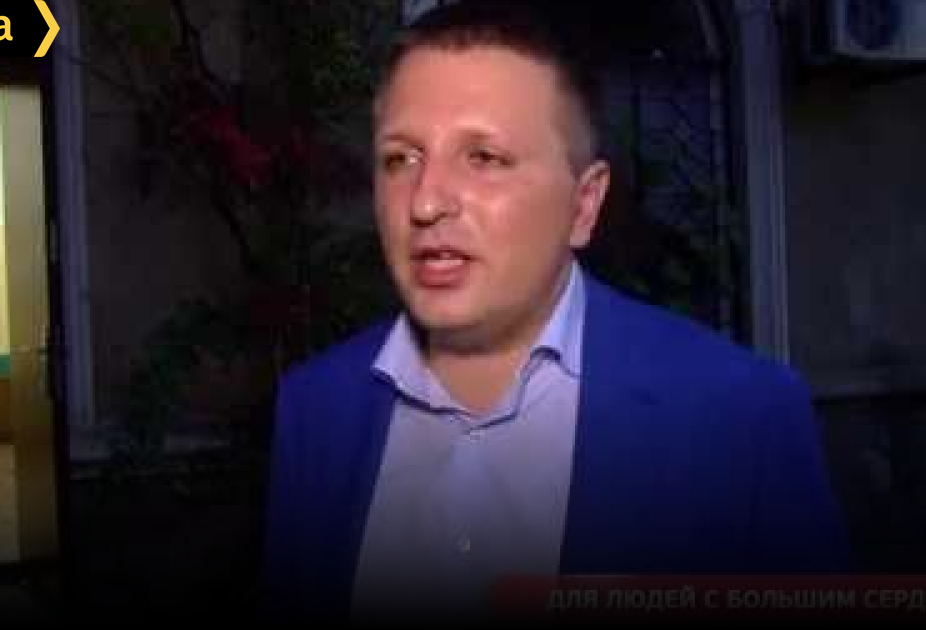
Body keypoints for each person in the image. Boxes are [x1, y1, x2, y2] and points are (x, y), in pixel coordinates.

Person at [260, 0, 850, 622]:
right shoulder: (315, 410)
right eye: (400, 158)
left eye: (484, 158)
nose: (425, 202)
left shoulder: (740, 420)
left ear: (584, 204)